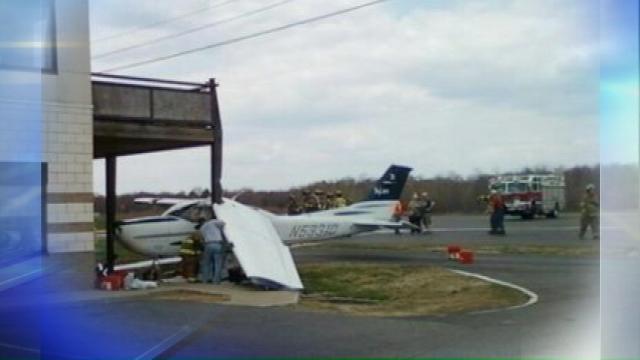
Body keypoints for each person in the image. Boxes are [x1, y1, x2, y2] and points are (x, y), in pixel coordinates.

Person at [199, 218, 233, 284]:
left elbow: (202, 238)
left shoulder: (202, 228)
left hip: (207, 245)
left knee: (207, 264)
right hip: (217, 244)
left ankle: (205, 280)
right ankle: (216, 281)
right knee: (218, 264)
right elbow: (223, 223)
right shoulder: (213, 222)